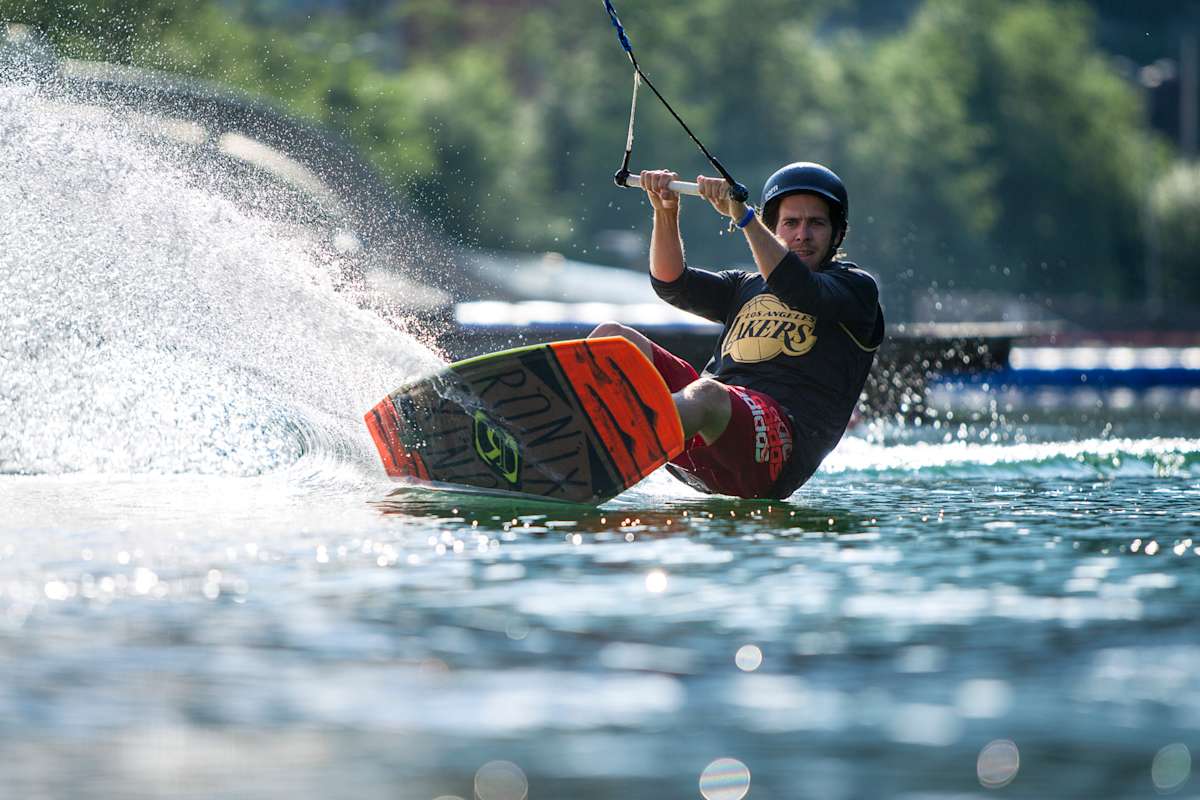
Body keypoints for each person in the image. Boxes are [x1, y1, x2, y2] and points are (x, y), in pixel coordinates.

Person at [588, 162, 884, 499]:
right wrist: (666, 210)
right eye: (791, 223)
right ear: (774, 229)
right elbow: (672, 283)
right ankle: (568, 436)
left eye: (816, 223)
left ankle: (599, 453)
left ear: (837, 234)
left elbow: (799, 288)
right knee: (613, 339)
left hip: (774, 452)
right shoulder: (745, 286)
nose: (802, 234)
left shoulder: (856, 289)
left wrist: (743, 217)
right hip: (701, 432)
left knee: (707, 394)